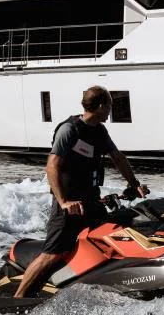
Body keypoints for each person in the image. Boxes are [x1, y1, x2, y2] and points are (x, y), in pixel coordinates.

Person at [14, 86, 148, 298]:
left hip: (92, 201)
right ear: (102, 106)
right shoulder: (69, 130)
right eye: (111, 105)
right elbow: (52, 166)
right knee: (53, 253)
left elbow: (118, 158)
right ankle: (19, 299)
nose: (111, 110)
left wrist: (135, 184)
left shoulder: (100, 131)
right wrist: (64, 201)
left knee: (110, 240)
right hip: (68, 206)